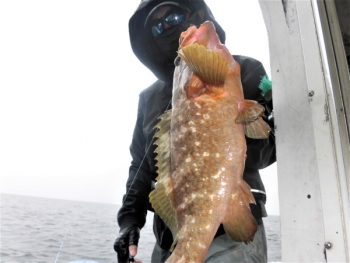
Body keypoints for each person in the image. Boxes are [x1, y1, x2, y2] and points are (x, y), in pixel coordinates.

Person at [114, 0, 276, 262]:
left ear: (195, 14)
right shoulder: (149, 98)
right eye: (157, 27)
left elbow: (266, 153)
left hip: (232, 237)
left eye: (174, 16)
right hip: (173, 238)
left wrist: (237, 125)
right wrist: (129, 221)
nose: (167, 26)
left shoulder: (247, 70)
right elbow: (140, 166)